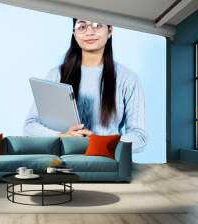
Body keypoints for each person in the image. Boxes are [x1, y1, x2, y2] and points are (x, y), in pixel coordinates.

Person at [23, 18, 147, 152]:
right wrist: (61, 136)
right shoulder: (56, 75)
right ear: (74, 33)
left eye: (97, 25)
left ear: (110, 30)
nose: (89, 32)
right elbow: (30, 126)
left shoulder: (127, 79)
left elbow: (140, 138)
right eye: (82, 27)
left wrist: (99, 143)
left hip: (105, 163)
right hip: (62, 163)